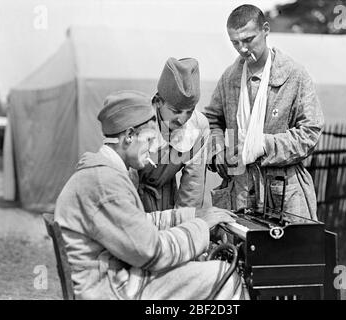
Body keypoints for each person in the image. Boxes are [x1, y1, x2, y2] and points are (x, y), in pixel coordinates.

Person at [54, 90, 245, 300]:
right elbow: (153, 252)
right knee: (225, 275)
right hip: (108, 289)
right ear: (128, 137)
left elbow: (140, 222)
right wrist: (200, 229)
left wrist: (194, 216)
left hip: (108, 276)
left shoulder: (102, 172)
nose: (153, 148)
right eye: (149, 139)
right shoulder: (106, 185)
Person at [204, 4, 324, 221]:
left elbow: (310, 133)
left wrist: (264, 144)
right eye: (235, 43)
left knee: (288, 254)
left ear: (266, 29)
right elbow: (212, 121)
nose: (242, 49)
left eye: (248, 40)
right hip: (239, 192)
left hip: (283, 193)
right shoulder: (229, 78)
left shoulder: (294, 75)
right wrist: (218, 148)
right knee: (239, 253)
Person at [137, 57, 210, 211]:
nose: (182, 119)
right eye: (175, 111)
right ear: (158, 101)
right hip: (131, 196)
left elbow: (192, 188)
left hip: (166, 199)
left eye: (189, 111)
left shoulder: (198, 126)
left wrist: (185, 227)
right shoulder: (137, 121)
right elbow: (121, 181)